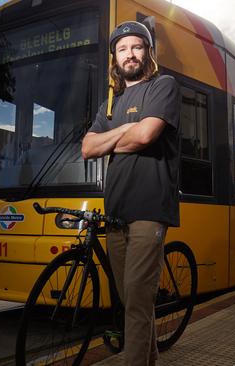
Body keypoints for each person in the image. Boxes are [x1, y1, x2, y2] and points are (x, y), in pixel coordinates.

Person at [81, 21, 181, 366]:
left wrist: (115, 138)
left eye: (137, 47)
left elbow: (145, 137)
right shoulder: (111, 102)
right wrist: (125, 127)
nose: (130, 54)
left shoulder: (162, 86)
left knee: (137, 300)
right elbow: (87, 148)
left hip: (149, 208)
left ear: (148, 52)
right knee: (131, 301)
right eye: (122, 49)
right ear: (114, 57)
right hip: (116, 209)